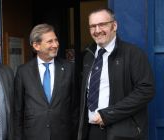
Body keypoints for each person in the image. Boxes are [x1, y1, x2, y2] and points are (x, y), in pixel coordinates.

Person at [77, 8, 155, 140]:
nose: (97, 30)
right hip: (92, 131)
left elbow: (146, 90)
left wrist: (108, 114)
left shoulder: (133, 54)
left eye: (102, 25)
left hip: (123, 132)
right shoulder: (87, 57)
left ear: (114, 25)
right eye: (92, 26)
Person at [14, 23, 79, 140]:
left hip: (63, 135)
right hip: (34, 135)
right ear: (36, 45)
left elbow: (75, 108)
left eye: (56, 40)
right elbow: (18, 111)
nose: (56, 44)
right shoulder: (23, 71)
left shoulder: (69, 68)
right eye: (50, 42)